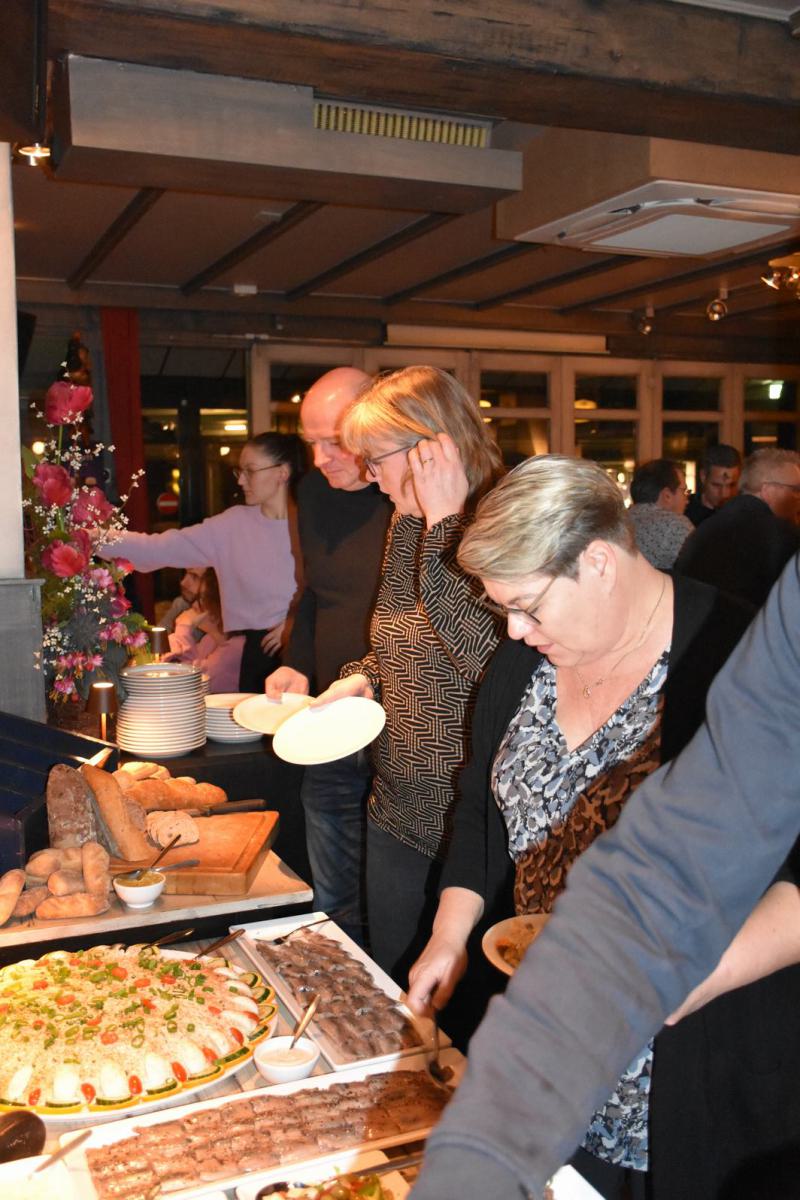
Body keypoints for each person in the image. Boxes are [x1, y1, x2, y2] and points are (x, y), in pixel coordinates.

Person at [406, 454, 754, 1198]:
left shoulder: (735, 654)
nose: (515, 630)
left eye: (528, 606)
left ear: (598, 561)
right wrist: (449, 935)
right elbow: (480, 812)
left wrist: (686, 976)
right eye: (503, 608)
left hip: (685, 1056)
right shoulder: (521, 666)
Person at [311, 365, 503, 990]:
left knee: (463, 1009)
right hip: (397, 807)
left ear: (429, 448)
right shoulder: (405, 523)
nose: (370, 476)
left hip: (473, 823)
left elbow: (490, 662)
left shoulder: (500, 523)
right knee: (398, 988)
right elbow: (396, 636)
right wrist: (362, 677)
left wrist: (447, 523)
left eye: (375, 459)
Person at [265, 367, 392, 945]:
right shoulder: (314, 492)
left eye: (335, 441)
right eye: (310, 442)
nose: (319, 459)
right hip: (331, 712)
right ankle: (343, 970)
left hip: (401, 719)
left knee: (390, 889)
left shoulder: (409, 497)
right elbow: (315, 591)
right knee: (333, 886)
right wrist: (297, 661)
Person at [98, 432, 305, 691]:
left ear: (282, 473)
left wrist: (295, 622)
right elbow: (159, 548)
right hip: (253, 654)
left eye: (250, 471)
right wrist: (94, 539)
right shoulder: (232, 525)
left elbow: (332, 591)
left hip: (303, 652)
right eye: (240, 471)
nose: (241, 480)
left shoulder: (310, 525)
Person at [675, 447, 800, 608]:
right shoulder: (780, 535)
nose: (798, 497)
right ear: (768, 490)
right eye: (795, 490)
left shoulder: (710, 525)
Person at [166, 567, 244, 693]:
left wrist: (184, 627)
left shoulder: (237, 647)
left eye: (202, 599)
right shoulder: (210, 640)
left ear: (220, 604)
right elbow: (178, 664)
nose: (194, 605)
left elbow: (188, 682)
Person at [627, 459, 693, 569]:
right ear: (667, 495)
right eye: (684, 491)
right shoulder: (676, 525)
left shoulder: (618, 522)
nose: (687, 500)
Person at [684, 443, 741, 526]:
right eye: (717, 485)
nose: (725, 494)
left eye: (731, 485)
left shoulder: (744, 516)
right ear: (703, 476)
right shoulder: (684, 513)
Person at [160, 566, 204, 633]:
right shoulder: (181, 604)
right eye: (186, 573)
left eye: (195, 577)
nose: (183, 582)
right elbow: (162, 631)